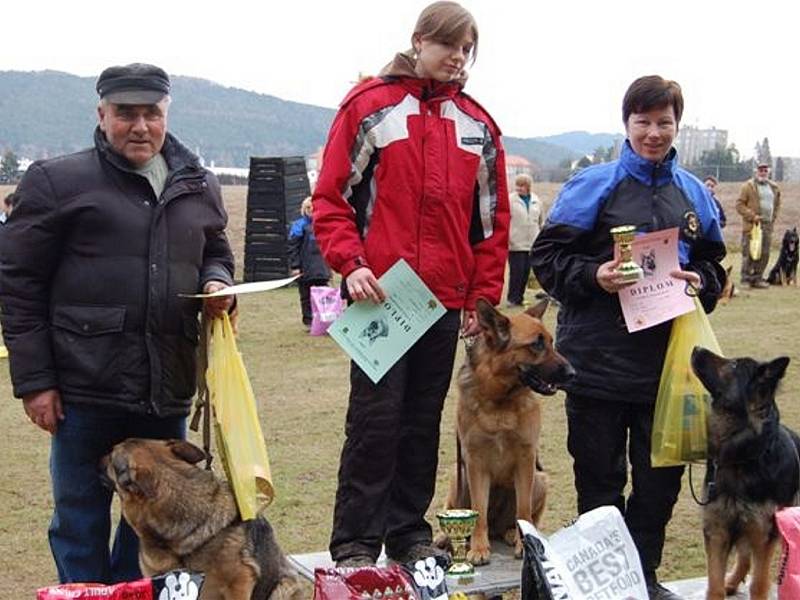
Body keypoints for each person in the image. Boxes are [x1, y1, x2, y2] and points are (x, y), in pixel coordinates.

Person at [0, 63, 235, 584]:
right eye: (126, 114)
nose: (140, 126)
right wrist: (36, 382)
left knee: (153, 527)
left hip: (165, 387)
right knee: (79, 521)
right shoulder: (57, 181)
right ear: (102, 114)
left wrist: (218, 283)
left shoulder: (197, 183)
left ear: (165, 114)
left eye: (151, 113)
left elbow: (216, 251)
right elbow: (19, 286)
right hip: (84, 388)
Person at [312, 1, 509, 568]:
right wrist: (351, 264)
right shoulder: (369, 107)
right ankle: (353, 543)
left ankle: (409, 534)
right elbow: (331, 198)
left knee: (422, 422)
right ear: (419, 41)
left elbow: (491, 222)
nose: (458, 58)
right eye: (449, 45)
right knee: (374, 421)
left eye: (467, 50)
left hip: (446, 301)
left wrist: (481, 295)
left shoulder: (479, 124)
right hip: (381, 297)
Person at [531, 75, 725, 600]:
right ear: (627, 124)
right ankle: (606, 585)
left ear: (677, 125)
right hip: (594, 363)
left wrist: (700, 280)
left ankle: (645, 579)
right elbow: (548, 262)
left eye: (664, 122)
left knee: (659, 487)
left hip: (668, 369)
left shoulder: (695, 196)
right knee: (599, 483)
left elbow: (714, 266)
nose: (654, 132)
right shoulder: (591, 186)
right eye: (643, 121)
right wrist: (595, 276)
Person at [736, 161, 781, 288]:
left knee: (765, 252)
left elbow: (777, 204)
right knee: (749, 252)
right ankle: (746, 278)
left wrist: (773, 218)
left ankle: (758, 278)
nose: (763, 172)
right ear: (756, 171)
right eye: (761, 170)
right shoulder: (748, 186)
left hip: (767, 226)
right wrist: (753, 216)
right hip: (752, 225)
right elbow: (739, 205)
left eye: (765, 170)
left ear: (769, 172)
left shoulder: (774, 187)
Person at [288, 196, 331, 328]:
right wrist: (295, 266)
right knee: (306, 296)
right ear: (303, 209)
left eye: (313, 207)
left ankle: (325, 320)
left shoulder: (324, 225)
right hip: (305, 269)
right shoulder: (298, 226)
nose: (311, 210)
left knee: (323, 295)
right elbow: (292, 248)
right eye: (308, 207)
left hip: (322, 268)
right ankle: (309, 321)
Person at [506, 173, 543, 306]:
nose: (519, 188)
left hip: (532, 243)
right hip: (515, 243)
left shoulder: (536, 200)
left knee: (526, 273)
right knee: (517, 272)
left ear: (528, 186)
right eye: (517, 185)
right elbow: (505, 220)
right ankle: (512, 299)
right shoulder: (510, 200)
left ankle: (520, 298)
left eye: (521, 186)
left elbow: (540, 220)